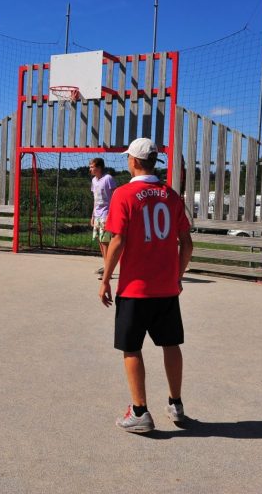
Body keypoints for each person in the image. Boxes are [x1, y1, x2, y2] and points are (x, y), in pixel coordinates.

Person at [98, 138, 193, 433]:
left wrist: (105, 279)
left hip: (135, 289)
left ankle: (140, 411)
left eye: (128, 157)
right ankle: (175, 404)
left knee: (131, 349)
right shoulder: (171, 195)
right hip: (166, 288)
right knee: (170, 344)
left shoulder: (124, 194)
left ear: (135, 162)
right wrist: (176, 275)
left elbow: (117, 240)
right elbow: (187, 244)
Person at [89, 158, 117, 279]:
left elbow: (115, 196)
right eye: (90, 166)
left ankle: (108, 270)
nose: (90, 169)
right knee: (100, 242)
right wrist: (92, 215)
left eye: (92, 166)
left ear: (99, 167)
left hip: (107, 214)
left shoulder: (108, 179)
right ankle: (106, 266)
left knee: (106, 242)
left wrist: (113, 214)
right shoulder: (94, 180)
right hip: (97, 215)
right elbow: (95, 199)